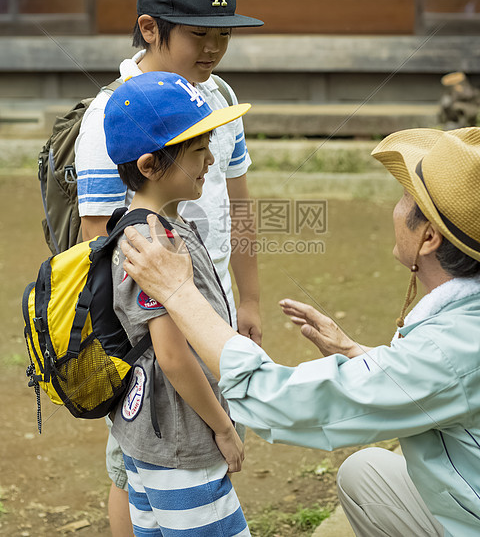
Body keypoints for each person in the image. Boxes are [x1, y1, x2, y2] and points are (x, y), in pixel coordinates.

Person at [119, 127, 480, 537]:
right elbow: (430, 378)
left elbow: (285, 401)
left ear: (429, 237)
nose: (394, 209)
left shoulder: (453, 348)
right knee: (365, 473)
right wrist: (353, 352)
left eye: (404, 199)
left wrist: (179, 293)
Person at [74, 0, 263, 534]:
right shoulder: (113, 116)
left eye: (222, 37)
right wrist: (153, 331)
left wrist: (248, 301)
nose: (212, 50)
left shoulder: (221, 101)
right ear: (150, 28)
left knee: (184, 457)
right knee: (134, 469)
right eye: (198, 36)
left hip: (211, 306)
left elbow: (241, 205)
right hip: (153, 338)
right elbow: (100, 244)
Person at [103, 70, 252, 536]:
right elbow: (171, 354)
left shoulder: (158, 223)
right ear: (150, 165)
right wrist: (223, 429)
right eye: (197, 150)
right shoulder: (151, 243)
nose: (211, 160)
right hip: (183, 441)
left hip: (149, 439)